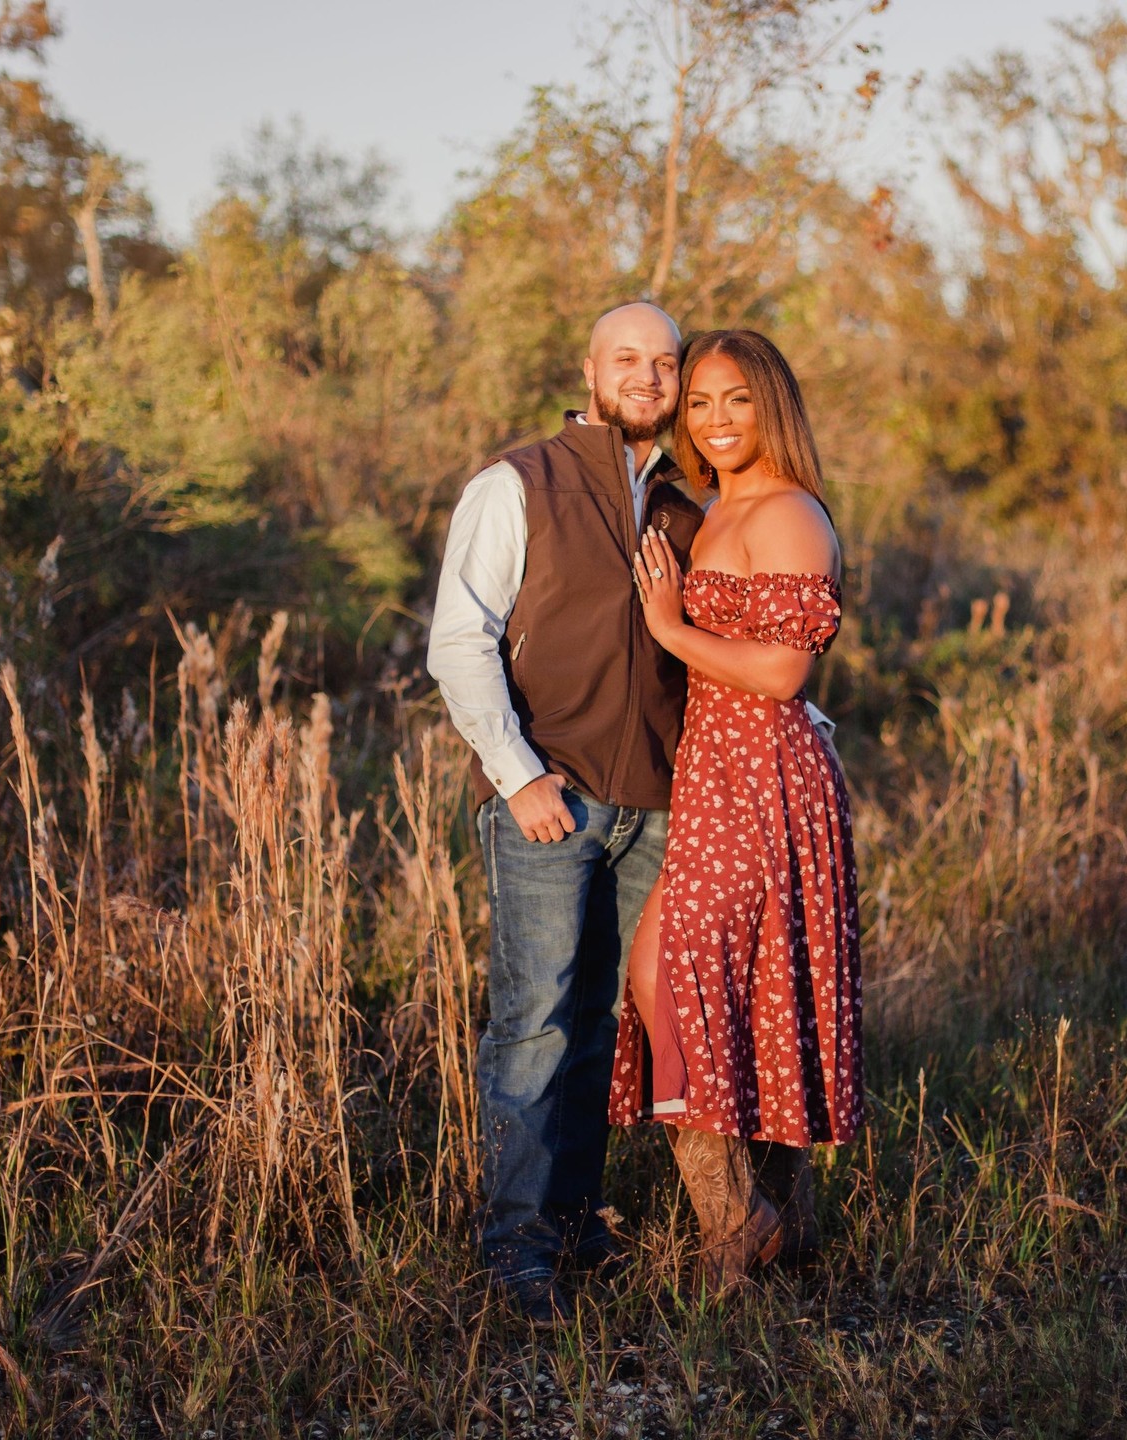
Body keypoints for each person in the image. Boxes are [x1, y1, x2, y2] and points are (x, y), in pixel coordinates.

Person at [426, 302, 708, 1324]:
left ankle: (578, 1221)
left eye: (665, 363)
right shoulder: (519, 484)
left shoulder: (687, 503)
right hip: (554, 800)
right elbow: (460, 641)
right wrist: (518, 774)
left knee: (603, 1022)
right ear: (588, 370)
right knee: (536, 1024)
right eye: (628, 359)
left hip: (657, 808)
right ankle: (516, 1249)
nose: (648, 377)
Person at [614, 329, 864, 1288]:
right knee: (737, 982)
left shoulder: (790, 513)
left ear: (774, 407)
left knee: (669, 975)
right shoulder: (713, 510)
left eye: (737, 402)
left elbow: (786, 671)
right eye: (701, 404)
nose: (715, 422)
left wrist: (672, 629)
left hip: (763, 774)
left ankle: (736, 1225)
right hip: (713, 769)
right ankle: (780, 1223)